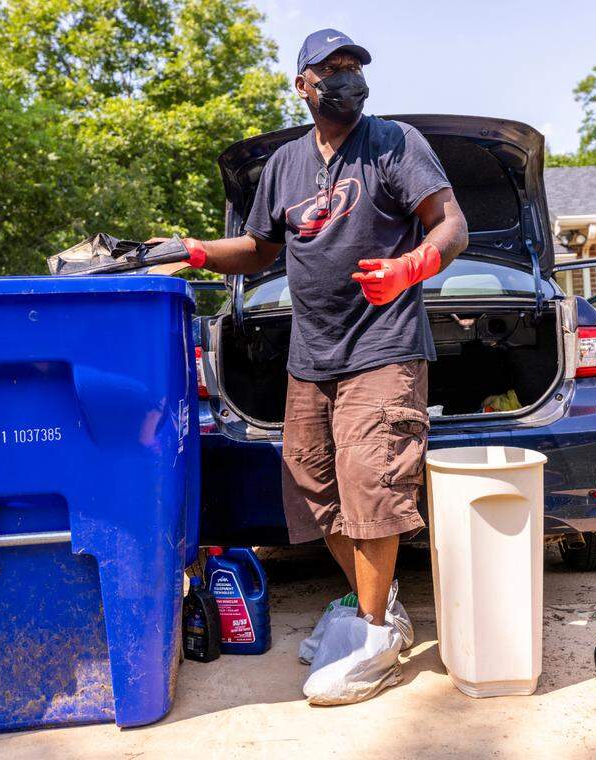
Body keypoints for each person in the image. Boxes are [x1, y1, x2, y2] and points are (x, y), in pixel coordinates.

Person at [149, 29, 467, 704]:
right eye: (331, 69)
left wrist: (413, 265)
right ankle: (371, 605)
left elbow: (451, 224)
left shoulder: (395, 144)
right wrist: (196, 250)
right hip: (310, 356)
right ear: (303, 83)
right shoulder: (287, 164)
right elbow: (261, 249)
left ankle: (375, 633)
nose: (345, 79)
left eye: (354, 67)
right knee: (313, 489)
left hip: (383, 349)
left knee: (371, 487)